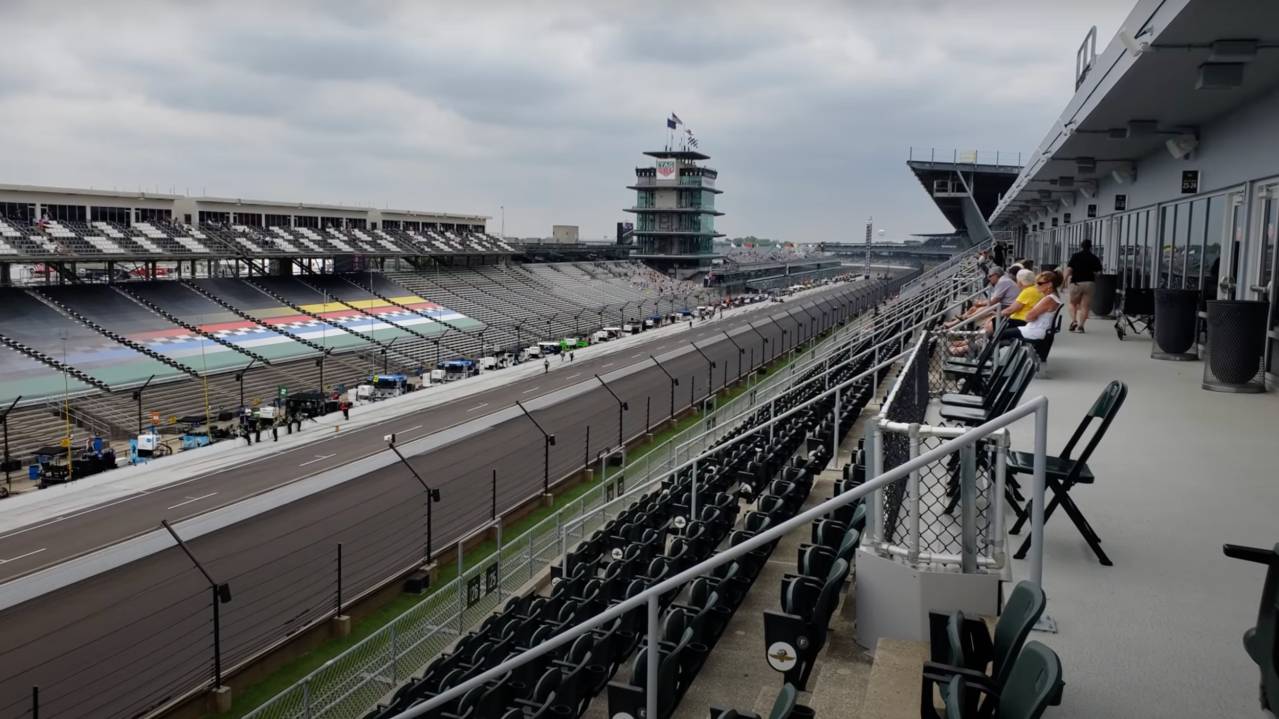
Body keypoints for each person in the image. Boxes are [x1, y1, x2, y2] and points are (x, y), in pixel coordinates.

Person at [997, 271, 1064, 345]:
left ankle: (995, 355)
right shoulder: (1053, 298)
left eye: (1039, 283)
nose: (1036, 286)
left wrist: (1033, 315)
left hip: (1034, 331)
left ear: (1049, 284)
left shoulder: (1049, 299)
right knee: (1001, 334)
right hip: (1035, 330)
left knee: (997, 335)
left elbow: (1028, 317)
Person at [1064, 238, 1103, 332]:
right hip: (1089, 283)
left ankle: (1074, 321)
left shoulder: (1075, 256)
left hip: (1076, 282)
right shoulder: (1094, 257)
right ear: (1091, 247)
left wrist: (1063, 282)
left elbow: (1069, 269)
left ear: (1081, 246)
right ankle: (1081, 326)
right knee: (1085, 306)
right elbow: (1098, 273)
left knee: (1072, 303)